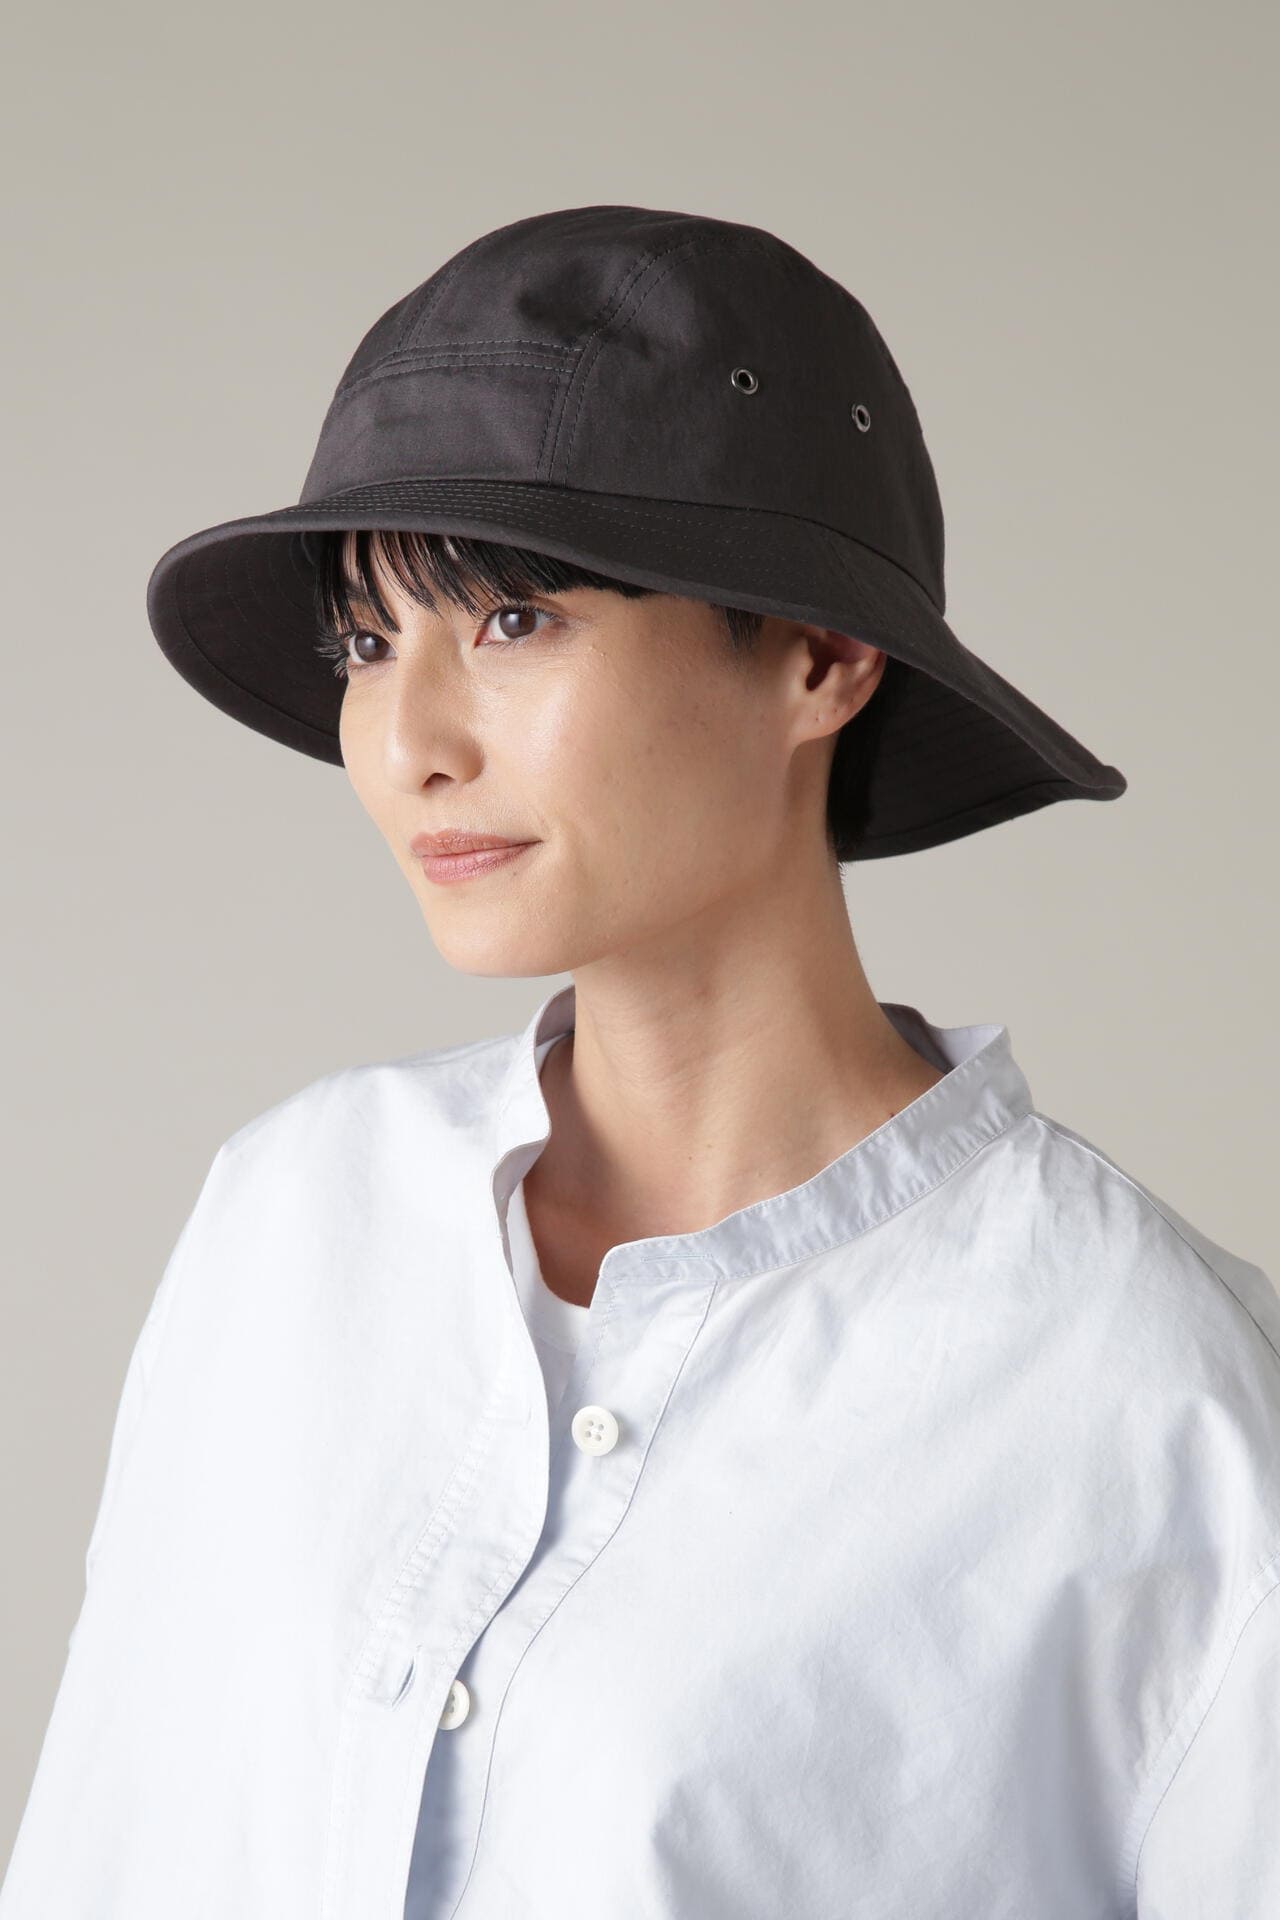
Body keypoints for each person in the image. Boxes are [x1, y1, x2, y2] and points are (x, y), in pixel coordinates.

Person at [2, 205, 1276, 1920]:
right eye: (367, 644)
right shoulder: (294, 1214)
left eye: (514, 621)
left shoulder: (1150, 1396)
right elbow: (108, 1849)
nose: (407, 743)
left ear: (820, 656)